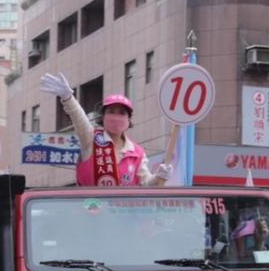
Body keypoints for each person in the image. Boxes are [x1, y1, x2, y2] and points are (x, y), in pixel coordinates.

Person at [40, 72, 171, 186]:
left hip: (124, 212)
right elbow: (79, 118)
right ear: (103, 117)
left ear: (129, 120)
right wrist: (68, 98)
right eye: (112, 111)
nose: (116, 116)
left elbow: (146, 184)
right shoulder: (91, 139)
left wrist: (159, 176)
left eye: (122, 113)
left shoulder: (138, 153)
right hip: (89, 209)